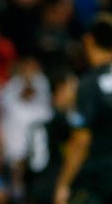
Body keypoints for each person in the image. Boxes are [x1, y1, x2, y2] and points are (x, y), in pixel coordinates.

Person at [54, 14, 112, 204]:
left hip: (98, 175)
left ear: (89, 40)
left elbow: (81, 140)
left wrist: (63, 185)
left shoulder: (90, 82)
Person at [24, 70, 77, 204]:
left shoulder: (39, 116)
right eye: (72, 87)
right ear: (61, 89)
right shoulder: (64, 122)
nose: (76, 92)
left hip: (36, 188)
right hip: (56, 189)